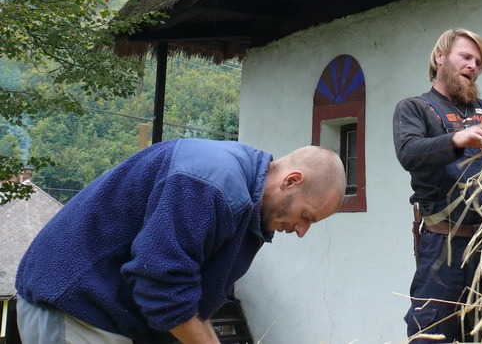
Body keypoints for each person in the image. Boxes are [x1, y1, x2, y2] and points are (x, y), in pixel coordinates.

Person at [15, 138, 346, 344]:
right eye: (307, 217)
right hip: (76, 306)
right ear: (291, 181)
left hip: (110, 314)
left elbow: (185, 297)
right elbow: (159, 283)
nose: (302, 231)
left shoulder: (248, 204)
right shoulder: (212, 185)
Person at [393, 28, 482, 342]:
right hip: (442, 245)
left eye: (478, 62)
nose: (473, 66)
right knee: (431, 333)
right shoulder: (416, 108)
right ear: (439, 57)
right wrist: (458, 138)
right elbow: (409, 152)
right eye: (466, 57)